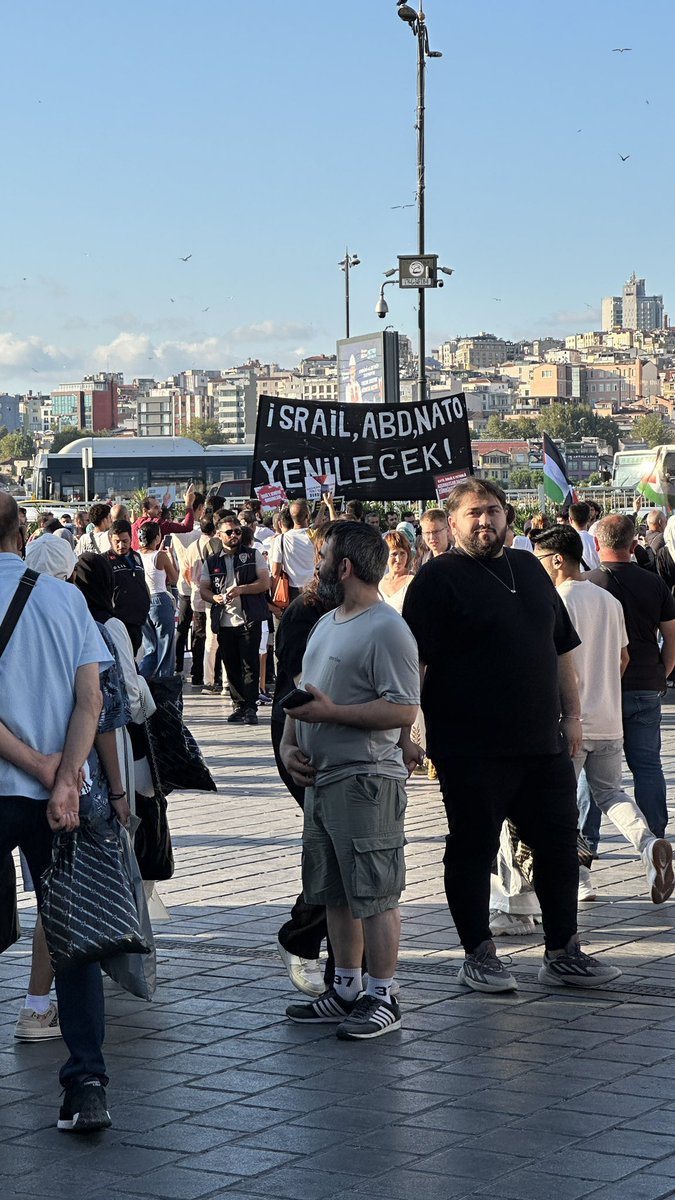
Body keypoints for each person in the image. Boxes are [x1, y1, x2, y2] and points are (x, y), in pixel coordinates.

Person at [403, 478, 622, 993]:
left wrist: (573, 717)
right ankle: (478, 954)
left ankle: (563, 950)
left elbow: (562, 649)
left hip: (541, 741)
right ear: (452, 521)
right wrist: (412, 731)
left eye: (495, 511)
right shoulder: (437, 579)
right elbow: (413, 662)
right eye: (475, 512)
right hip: (470, 746)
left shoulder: (528, 567)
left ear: (509, 517)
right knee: (473, 849)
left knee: (558, 847)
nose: (486, 521)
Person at [0, 494, 115, 1132]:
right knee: (74, 942)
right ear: (24, 531)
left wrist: (40, 767)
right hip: (56, 805)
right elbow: (90, 701)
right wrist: (65, 777)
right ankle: (87, 1082)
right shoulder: (64, 599)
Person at [281, 521, 421, 1040]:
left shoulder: (387, 627)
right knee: (335, 891)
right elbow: (305, 692)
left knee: (376, 893)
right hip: (323, 782)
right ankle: (344, 988)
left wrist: (333, 714)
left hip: (366, 782)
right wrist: (289, 744)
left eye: (322, 556)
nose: (315, 565)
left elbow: (404, 708)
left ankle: (383, 995)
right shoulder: (327, 623)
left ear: (344, 567)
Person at [532, 525, 673, 902]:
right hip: (610, 717)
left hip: (570, 721)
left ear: (558, 559)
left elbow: (548, 662)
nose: (538, 566)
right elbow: (623, 657)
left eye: (540, 559)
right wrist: (604, 686)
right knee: (612, 793)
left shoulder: (554, 600)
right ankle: (648, 845)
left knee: (560, 804)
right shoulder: (608, 602)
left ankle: (576, 879)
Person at [588, 515, 675, 839]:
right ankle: (655, 838)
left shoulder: (588, 583)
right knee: (648, 766)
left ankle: (587, 843)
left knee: (591, 773)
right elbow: (671, 636)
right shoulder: (654, 583)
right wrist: (661, 673)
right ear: (633, 544)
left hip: (600, 690)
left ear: (598, 544)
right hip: (645, 685)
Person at [200, 514, 270, 725]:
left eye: (237, 531)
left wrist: (241, 590)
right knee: (230, 665)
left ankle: (250, 707)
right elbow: (204, 588)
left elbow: (265, 582)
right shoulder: (212, 561)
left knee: (250, 664)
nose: (234, 535)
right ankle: (238, 704)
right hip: (224, 620)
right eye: (229, 532)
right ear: (219, 535)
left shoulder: (252, 554)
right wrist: (214, 597)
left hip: (249, 618)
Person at [183, 517, 222, 689]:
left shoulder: (192, 547)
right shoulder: (218, 545)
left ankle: (197, 673)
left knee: (199, 636)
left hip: (197, 596)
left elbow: (185, 571)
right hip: (213, 597)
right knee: (215, 638)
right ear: (214, 529)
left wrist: (194, 584)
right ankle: (216, 674)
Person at [138, 521, 179, 679]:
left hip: (143, 601)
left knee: (150, 648)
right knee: (166, 647)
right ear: (157, 537)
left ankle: (144, 680)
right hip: (160, 600)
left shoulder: (136, 555)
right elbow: (174, 578)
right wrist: (170, 557)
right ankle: (164, 682)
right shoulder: (160, 556)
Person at [106, 519, 151, 654]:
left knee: (135, 654)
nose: (121, 545)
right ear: (110, 540)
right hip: (119, 621)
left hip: (138, 619)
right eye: (117, 542)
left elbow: (142, 582)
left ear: (131, 538)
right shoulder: (105, 560)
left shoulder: (137, 557)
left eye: (125, 541)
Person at [269, 500, 315, 601]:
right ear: (308, 517)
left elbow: (275, 571)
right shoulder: (316, 536)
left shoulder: (280, 539)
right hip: (315, 587)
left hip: (293, 591)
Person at [131, 484, 197, 551]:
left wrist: (165, 504)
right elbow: (187, 527)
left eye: (159, 507)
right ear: (145, 510)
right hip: (157, 560)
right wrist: (189, 505)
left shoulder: (133, 527)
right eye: (156, 507)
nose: (160, 510)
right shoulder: (158, 524)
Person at [379, 531, 416, 614]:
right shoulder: (379, 583)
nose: (398, 559)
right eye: (394, 554)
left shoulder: (413, 581)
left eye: (402, 553)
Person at [568, 502, 600, 570]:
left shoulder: (565, 543)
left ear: (570, 520)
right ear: (589, 518)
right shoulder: (597, 542)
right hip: (594, 578)